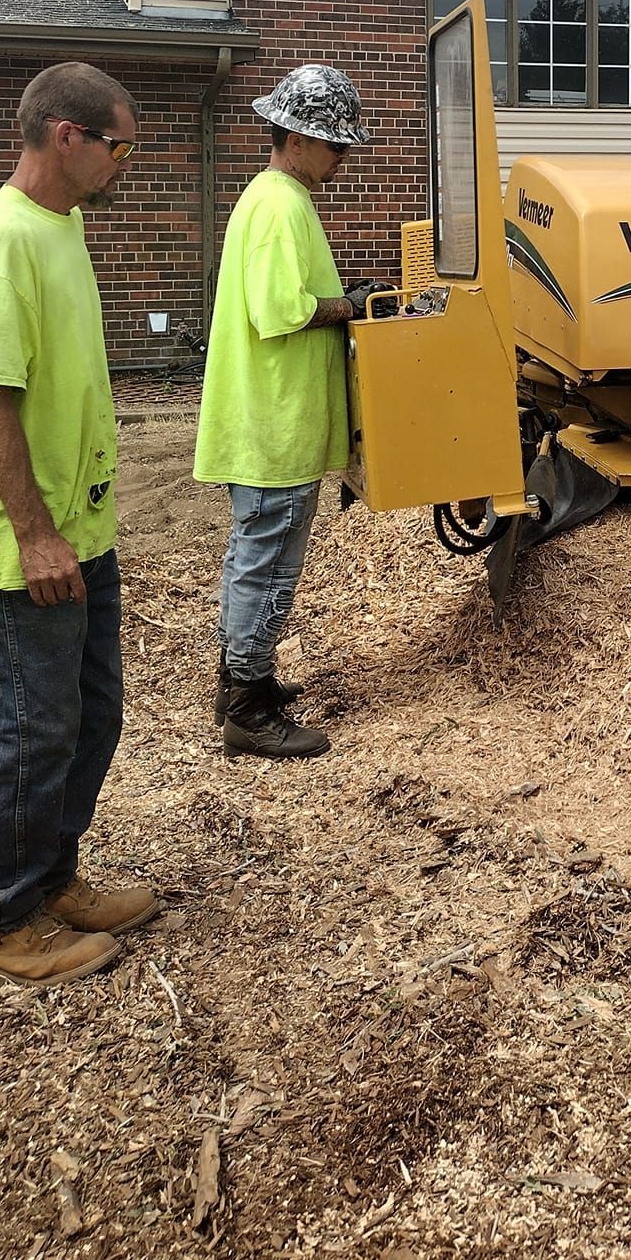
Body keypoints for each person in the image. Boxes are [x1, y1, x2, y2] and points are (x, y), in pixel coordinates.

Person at [0, 63, 160, 988]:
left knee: (89, 718)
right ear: (66, 137)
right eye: (120, 145)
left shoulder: (60, 227)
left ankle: (53, 877)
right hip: (22, 549)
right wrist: (33, 534)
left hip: (83, 534)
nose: (127, 164)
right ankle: (3, 915)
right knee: (31, 735)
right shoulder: (0, 241)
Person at [194, 64, 372, 759]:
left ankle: (246, 679)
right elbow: (282, 311)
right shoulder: (278, 205)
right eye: (335, 144)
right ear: (295, 138)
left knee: (256, 558)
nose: (343, 157)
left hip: (272, 420)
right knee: (266, 565)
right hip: (274, 424)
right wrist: (351, 305)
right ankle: (247, 706)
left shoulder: (279, 197)